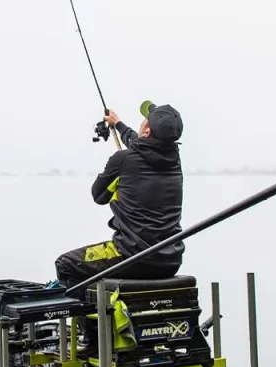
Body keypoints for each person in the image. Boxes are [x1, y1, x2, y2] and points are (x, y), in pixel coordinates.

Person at [53, 102, 185, 288]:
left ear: (146, 132)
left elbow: (98, 196)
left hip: (131, 256)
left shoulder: (122, 160)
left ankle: (95, 315)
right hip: (171, 261)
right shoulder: (175, 161)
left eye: (144, 120)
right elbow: (139, 143)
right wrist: (118, 124)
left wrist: (117, 184)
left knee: (65, 264)